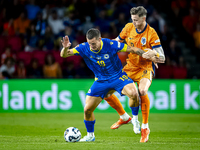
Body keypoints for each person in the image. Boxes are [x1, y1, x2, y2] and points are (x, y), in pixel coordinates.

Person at [60, 28, 162, 142]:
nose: (91, 46)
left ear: (99, 39)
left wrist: (150, 56)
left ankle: (135, 119)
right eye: (89, 43)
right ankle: (90, 136)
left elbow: (133, 49)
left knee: (134, 93)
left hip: (118, 77)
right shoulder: (84, 47)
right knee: (87, 110)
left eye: (93, 43)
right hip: (100, 81)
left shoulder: (111, 44)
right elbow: (64, 55)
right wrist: (65, 48)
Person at [105, 6, 165, 142]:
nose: (134, 23)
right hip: (130, 67)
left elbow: (162, 57)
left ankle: (145, 127)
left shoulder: (151, 33)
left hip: (145, 68)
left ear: (144, 18)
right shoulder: (128, 27)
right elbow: (117, 40)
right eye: (132, 19)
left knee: (142, 90)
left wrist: (154, 54)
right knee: (106, 91)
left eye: (136, 20)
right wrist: (106, 46)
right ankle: (126, 117)